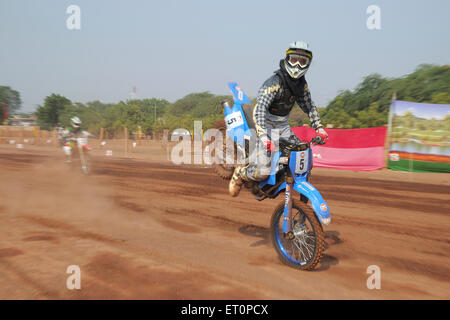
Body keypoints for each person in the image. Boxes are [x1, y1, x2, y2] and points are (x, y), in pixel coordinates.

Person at [229, 41, 328, 197]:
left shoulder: (301, 86)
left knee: (303, 158)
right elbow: (260, 110)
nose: (297, 65)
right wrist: (263, 137)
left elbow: (309, 106)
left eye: (302, 61)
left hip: (282, 126)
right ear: (287, 59)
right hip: (263, 123)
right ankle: (240, 173)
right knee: (263, 170)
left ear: (308, 64)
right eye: (294, 59)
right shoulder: (273, 83)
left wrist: (320, 128)